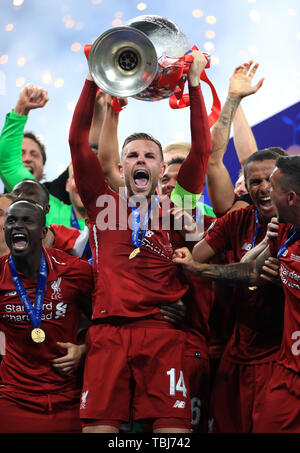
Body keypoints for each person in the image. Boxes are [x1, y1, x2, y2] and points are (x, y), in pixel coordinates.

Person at [69, 49, 212, 433]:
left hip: (162, 334)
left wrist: (195, 86)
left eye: (150, 156)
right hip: (107, 334)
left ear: (161, 168)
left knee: (172, 436)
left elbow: (202, 150)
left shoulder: (176, 204)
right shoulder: (102, 205)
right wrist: (90, 76)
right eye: (132, 155)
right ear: (121, 167)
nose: (141, 161)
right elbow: (77, 142)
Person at [173, 148, 285, 433]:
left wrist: (202, 270)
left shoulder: (294, 225)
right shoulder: (237, 220)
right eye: (255, 182)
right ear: (246, 188)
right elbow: (194, 258)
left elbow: (249, 272)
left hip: (281, 357)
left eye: (270, 180)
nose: (264, 189)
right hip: (236, 355)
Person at [0, 199, 93, 433]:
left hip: (69, 399)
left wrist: (84, 349)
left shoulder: (75, 271)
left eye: (26, 221)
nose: (17, 226)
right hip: (14, 399)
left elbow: (106, 320)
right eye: (11, 221)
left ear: (43, 232)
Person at [237, 155, 300, 433]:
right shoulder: (284, 229)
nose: (265, 192)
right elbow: (246, 271)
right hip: (288, 369)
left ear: (291, 196)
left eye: (272, 186)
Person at [0, 84, 95, 230]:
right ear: (67, 184)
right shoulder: (44, 207)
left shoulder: (117, 216)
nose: (27, 159)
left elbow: (91, 150)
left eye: (34, 154)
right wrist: (21, 109)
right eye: (21, 153)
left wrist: (104, 110)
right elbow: (9, 162)